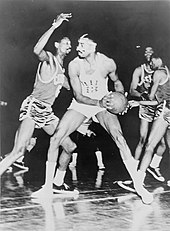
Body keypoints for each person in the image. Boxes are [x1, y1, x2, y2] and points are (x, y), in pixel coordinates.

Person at [32, 34, 153, 204]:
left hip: (103, 103)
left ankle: (139, 187)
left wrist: (121, 100)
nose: (77, 48)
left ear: (94, 46)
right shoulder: (74, 65)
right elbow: (78, 95)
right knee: (56, 138)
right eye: (78, 44)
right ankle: (48, 187)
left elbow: (117, 82)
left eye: (83, 44)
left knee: (120, 138)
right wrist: (98, 101)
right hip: (83, 103)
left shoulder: (108, 63)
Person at [0, 13, 76, 176]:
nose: (69, 45)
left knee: (70, 147)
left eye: (70, 44)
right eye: (66, 42)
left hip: (47, 112)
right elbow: (36, 50)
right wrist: (54, 26)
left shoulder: (62, 70)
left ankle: (57, 183)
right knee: (19, 152)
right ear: (56, 44)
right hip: (33, 107)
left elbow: (71, 88)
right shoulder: (49, 59)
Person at [129, 55, 170, 191]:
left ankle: (138, 181)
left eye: (152, 60)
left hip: (166, 109)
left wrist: (139, 100)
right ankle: (150, 169)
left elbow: (153, 99)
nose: (150, 63)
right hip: (166, 107)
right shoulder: (167, 71)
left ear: (159, 59)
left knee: (149, 146)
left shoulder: (158, 73)